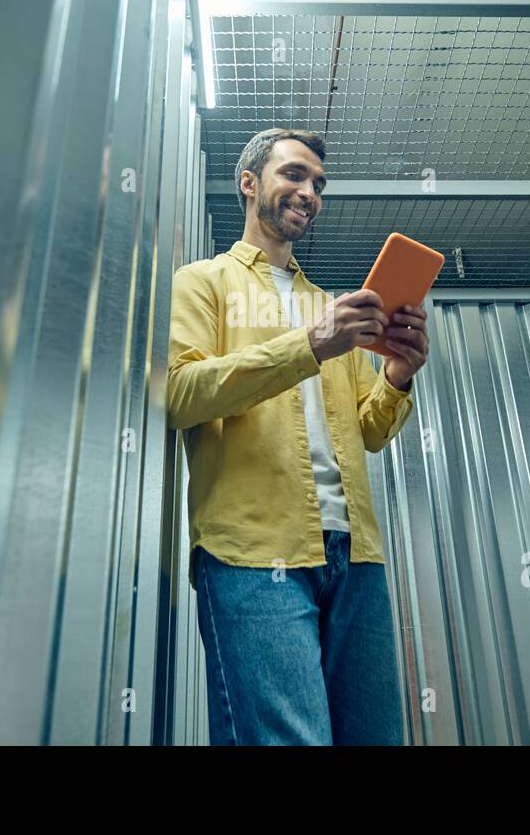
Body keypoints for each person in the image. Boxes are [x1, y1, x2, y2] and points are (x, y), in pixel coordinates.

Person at [166, 127, 430, 745]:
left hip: (355, 556)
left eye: (317, 183)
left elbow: (366, 430)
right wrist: (310, 344)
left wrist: (396, 374)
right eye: (293, 175)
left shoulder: (330, 306)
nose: (308, 191)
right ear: (250, 182)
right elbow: (180, 395)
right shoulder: (201, 282)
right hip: (254, 555)